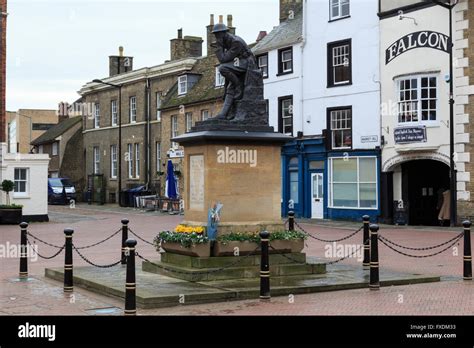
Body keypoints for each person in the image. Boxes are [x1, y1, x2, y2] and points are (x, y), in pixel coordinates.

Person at [211, 22, 257, 119]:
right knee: (229, 88)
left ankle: (238, 86)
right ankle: (223, 114)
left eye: (217, 35)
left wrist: (219, 47)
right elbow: (226, 59)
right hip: (238, 62)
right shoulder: (226, 41)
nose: (216, 37)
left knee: (222, 68)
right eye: (215, 35)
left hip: (247, 63)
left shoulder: (236, 42)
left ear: (223, 33)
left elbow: (223, 59)